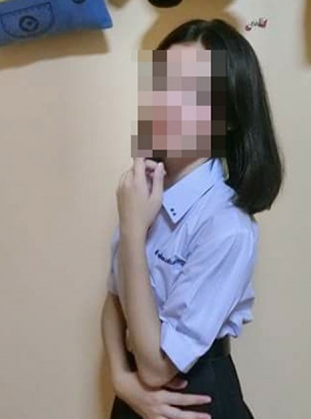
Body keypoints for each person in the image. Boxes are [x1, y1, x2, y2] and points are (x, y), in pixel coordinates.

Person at [101, 18, 283, 419]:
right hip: (133, 397)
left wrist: (133, 230)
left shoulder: (228, 226)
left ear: (230, 115)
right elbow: (114, 299)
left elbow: (156, 367)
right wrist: (120, 379)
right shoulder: (142, 190)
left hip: (196, 398)